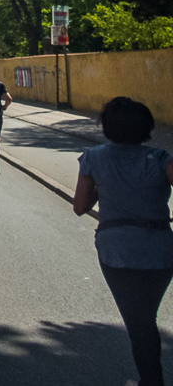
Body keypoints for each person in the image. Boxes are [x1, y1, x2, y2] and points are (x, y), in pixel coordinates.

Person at [74, 97, 173, 386]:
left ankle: (151, 380)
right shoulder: (161, 158)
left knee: (139, 321)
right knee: (144, 316)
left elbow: (80, 207)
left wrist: (102, 188)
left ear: (107, 127)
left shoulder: (93, 158)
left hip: (117, 251)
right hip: (161, 250)